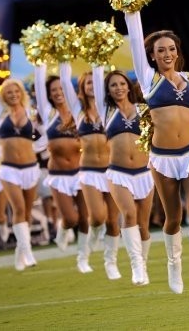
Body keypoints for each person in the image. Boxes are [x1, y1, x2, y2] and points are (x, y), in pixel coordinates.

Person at [125, 11, 189, 295]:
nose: (167, 54)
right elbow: (136, 39)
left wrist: (188, 121)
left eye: (171, 49)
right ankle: (173, 265)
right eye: (160, 50)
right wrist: (132, 8)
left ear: (178, 53)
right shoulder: (148, 78)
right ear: (151, 55)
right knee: (173, 217)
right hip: (163, 157)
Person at [59, 63, 121, 279]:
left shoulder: (109, 109)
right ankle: (84, 255)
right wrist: (63, 60)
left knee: (113, 221)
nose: (91, 87)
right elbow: (65, 83)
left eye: (94, 83)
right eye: (87, 84)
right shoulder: (78, 111)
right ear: (82, 88)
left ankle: (110, 262)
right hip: (89, 172)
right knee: (96, 217)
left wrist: (98, 63)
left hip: (111, 170)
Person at [94, 68, 154, 286]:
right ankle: (136, 265)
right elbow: (96, 76)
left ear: (129, 86)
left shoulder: (143, 109)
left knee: (144, 226)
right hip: (118, 173)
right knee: (129, 215)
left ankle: (143, 263)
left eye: (122, 84)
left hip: (145, 173)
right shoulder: (105, 111)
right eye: (113, 85)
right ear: (107, 91)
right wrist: (96, 57)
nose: (118, 88)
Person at [34, 65, 90, 272]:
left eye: (61, 88)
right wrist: (39, 61)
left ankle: (82, 258)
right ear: (48, 95)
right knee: (71, 218)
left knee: (86, 219)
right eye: (53, 90)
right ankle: (62, 230)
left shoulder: (78, 113)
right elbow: (39, 86)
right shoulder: (48, 114)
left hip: (80, 173)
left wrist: (65, 58)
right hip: (58, 175)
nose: (58, 93)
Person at [0, 65, 40, 271]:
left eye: (16, 91)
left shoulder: (30, 112)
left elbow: (42, 137)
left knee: (26, 213)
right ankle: (28, 253)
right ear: (4, 97)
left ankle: (19, 251)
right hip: (9, 169)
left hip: (30, 167)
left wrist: (40, 148)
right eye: (9, 92)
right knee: (17, 208)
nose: (13, 94)